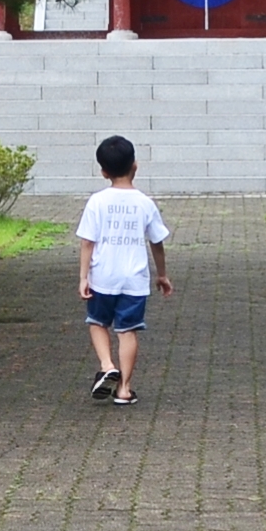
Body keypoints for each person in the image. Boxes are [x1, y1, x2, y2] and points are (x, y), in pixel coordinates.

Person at [75, 134, 171, 405]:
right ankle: (125, 389)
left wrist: (83, 277)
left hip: (102, 275)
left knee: (97, 323)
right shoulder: (144, 203)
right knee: (127, 331)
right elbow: (157, 242)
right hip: (134, 278)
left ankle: (107, 367)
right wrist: (162, 274)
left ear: (103, 171)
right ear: (135, 166)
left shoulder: (97, 201)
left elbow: (87, 242)